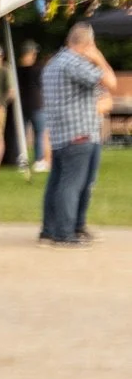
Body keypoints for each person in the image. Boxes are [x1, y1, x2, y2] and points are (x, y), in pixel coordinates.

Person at [38, 20, 116, 247]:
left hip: (62, 133)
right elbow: (109, 81)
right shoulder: (75, 63)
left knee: (57, 183)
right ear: (88, 43)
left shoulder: (53, 63)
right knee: (73, 184)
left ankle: (50, 230)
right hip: (80, 132)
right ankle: (65, 232)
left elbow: (98, 94)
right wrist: (99, 58)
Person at [18, 39, 49, 171]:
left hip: (22, 105)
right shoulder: (38, 69)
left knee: (22, 134)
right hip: (36, 104)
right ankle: (38, 160)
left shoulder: (17, 69)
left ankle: (22, 160)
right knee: (40, 133)